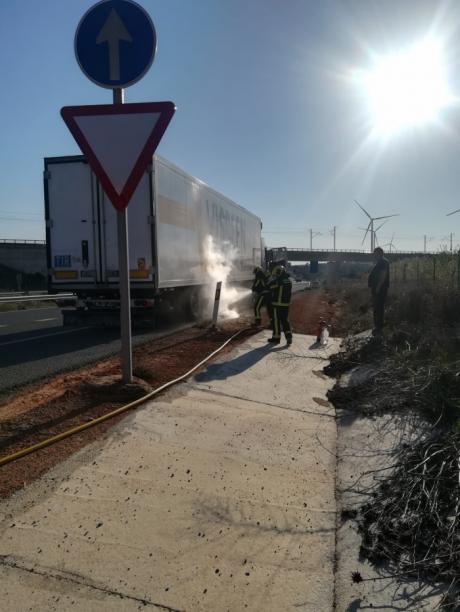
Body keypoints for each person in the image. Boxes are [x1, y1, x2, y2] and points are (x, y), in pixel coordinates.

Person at [267, 265, 293, 345]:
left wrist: (271, 281)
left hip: (277, 305)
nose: (276, 275)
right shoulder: (289, 280)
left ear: (279, 272)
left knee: (276, 321)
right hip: (286, 305)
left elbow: (270, 287)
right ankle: (289, 337)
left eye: (276, 274)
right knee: (285, 320)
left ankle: (276, 338)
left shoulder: (279, 281)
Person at [368, 247, 390, 336]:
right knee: (376, 308)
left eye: (375, 253)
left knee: (379, 308)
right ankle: (377, 326)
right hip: (377, 289)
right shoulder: (380, 262)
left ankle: (379, 327)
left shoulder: (383, 262)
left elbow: (383, 276)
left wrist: (378, 287)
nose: (374, 255)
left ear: (379, 253)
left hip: (380, 289)